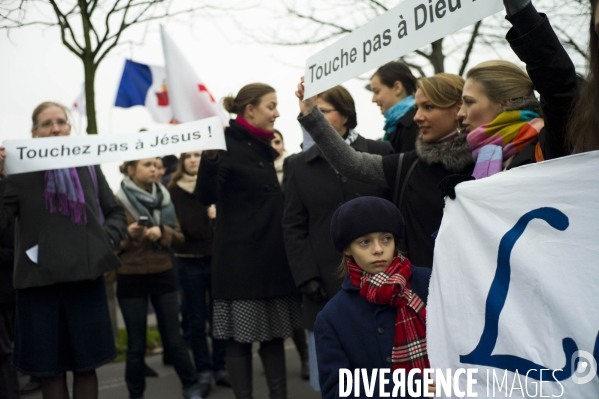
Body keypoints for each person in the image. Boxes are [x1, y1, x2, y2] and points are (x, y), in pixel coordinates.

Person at [0, 102, 127, 399]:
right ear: (33, 133)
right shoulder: (16, 174)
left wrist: (102, 240)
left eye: (61, 121)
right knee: (50, 372)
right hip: (39, 288)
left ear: (70, 128)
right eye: (46, 124)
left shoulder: (88, 164)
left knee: (86, 367)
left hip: (84, 282)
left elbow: (115, 213)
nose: (55, 128)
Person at [296, 74, 472, 267]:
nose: (417, 117)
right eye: (417, 108)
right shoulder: (407, 165)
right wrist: (312, 113)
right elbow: (350, 162)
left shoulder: (494, 160)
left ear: (458, 109)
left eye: (428, 107)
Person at [282, 85, 393, 390]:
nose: (314, 117)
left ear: (344, 115)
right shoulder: (298, 165)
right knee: (336, 382)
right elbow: (293, 225)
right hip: (325, 285)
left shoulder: (380, 152)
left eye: (323, 111)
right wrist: (306, 277)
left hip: (383, 281)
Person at [198, 83, 301, 399]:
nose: (277, 112)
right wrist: (210, 157)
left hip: (270, 259)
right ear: (250, 110)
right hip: (240, 264)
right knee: (239, 339)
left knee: (273, 337)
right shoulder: (225, 143)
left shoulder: (262, 145)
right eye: (271, 106)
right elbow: (207, 195)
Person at [314, 196, 433, 398]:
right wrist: (404, 386)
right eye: (364, 242)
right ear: (346, 248)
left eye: (386, 238)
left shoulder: (430, 282)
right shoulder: (333, 317)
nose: (378, 249)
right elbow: (335, 391)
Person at [116, 158, 202, 399]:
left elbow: (179, 237)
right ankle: (136, 394)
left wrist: (162, 231)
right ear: (131, 169)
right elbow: (108, 242)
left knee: (174, 341)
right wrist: (128, 234)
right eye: (147, 164)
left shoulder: (164, 196)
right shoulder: (116, 199)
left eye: (156, 164)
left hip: (162, 273)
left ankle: (191, 386)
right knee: (135, 346)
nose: (154, 168)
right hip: (130, 276)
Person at [168, 152, 230, 397]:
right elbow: (177, 225)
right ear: (182, 161)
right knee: (195, 321)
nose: (194, 160)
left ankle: (220, 367)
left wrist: (218, 215)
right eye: (189, 156)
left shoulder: (214, 184)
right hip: (188, 262)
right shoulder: (173, 190)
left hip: (216, 259)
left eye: (198, 155)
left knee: (219, 317)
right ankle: (203, 371)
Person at [269, 131, 311, 382]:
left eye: (276, 141)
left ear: (283, 144)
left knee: (297, 308)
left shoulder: (293, 167)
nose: (273, 146)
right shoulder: (259, 172)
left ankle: (306, 357)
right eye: (269, 142)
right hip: (271, 248)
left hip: (294, 247)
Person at [370, 62, 420, 153]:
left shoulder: (416, 123)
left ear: (397, 88)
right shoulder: (397, 126)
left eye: (377, 91)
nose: (373, 99)